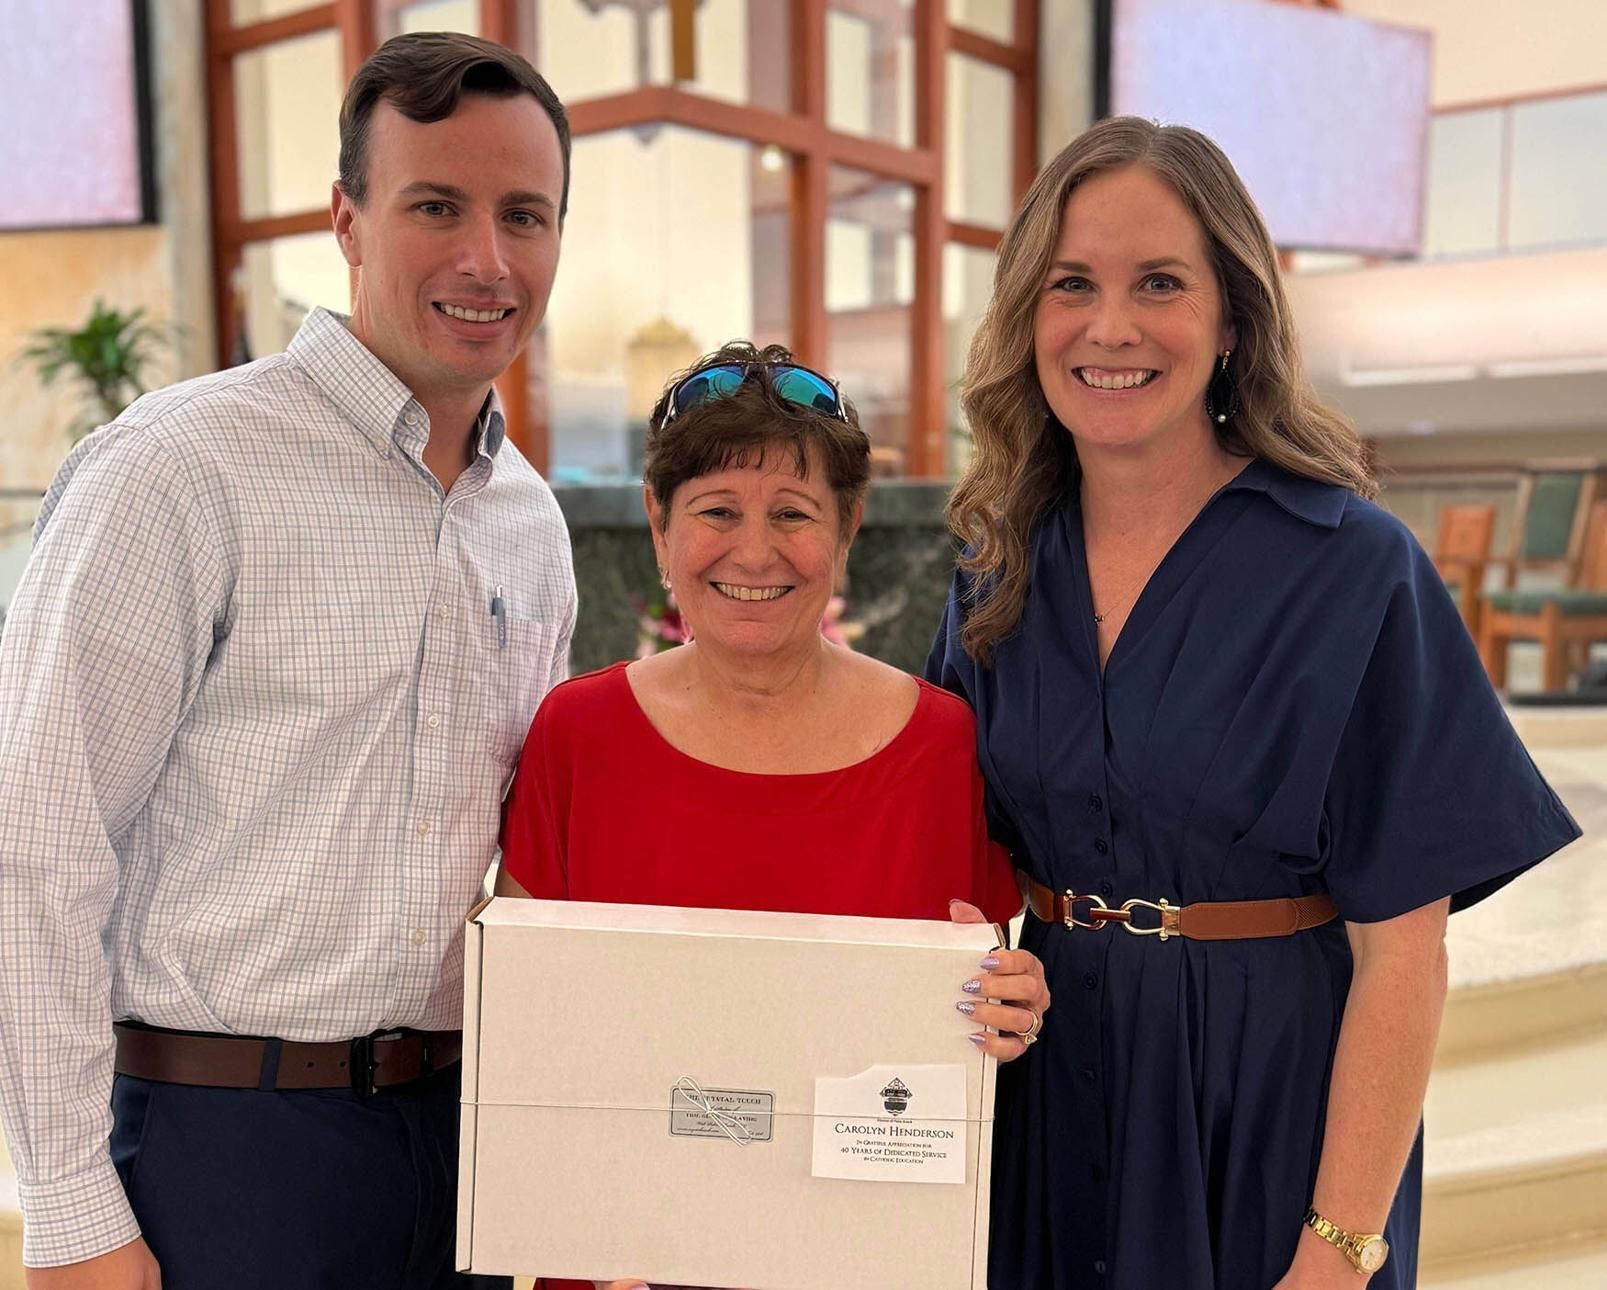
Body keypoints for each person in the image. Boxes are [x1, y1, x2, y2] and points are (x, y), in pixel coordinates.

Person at [925, 116, 1580, 1290]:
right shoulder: (995, 567)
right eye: (1071, 283)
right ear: (1028, 314)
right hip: (1041, 1092)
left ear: (1231, 316)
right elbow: (941, 864)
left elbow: (1402, 955)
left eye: (1159, 283)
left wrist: (1335, 1252)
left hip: (1268, 1106)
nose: (1109, 326)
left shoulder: (1353, 568)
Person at [0, 32, 575, 1290]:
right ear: (348, 221)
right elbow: (34, 848)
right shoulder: (177, 472)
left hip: (457, 1144)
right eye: (437, 205)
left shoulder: (529, 525)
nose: (487, 258)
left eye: (523, 216)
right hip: (225, 1146)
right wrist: (69, 1211)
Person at [495, 342, 1052, 1290]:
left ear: (847, 529)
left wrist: (1014, 1006)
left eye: (793, 514)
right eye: (715, 511)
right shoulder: (576, 734)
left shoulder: (941, 744)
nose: (753, 552)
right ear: (658, 525)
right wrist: (587, 1214)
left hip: (864, 1256)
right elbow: (530, 1023)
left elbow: (977, 996)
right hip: (626, 1254)